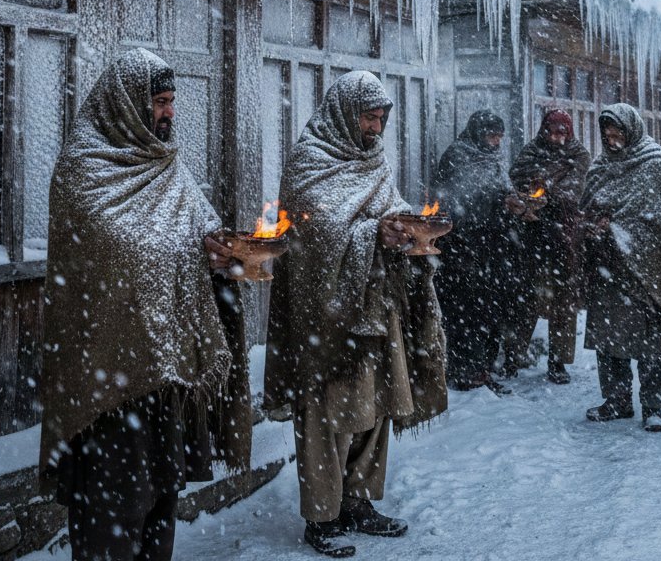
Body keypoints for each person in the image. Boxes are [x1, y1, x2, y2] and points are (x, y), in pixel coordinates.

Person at [39, 48, 252, 561]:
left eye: (172, 102)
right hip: (110, 385)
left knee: (160, 508)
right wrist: (189, 253)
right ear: (127, 104)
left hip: (167, 381)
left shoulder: (167, 168)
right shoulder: (83, 171)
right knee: (111, 518)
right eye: (159, 101)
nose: (168, 114)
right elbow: (119, 259)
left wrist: (219, 256)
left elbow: (196, 234)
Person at [264, 71, 446, 559]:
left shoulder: (373, 160)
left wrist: (410, 225)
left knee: (377, 403)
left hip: (375, 306)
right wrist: (372, 235)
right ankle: (321, 516)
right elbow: (313, 232)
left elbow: (387, 207)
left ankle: (358, 501)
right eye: (369, 117)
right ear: (346, 114)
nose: (376, 128)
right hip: (328, 315)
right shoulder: (311, 160)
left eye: (382, 118)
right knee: (329, 412)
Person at [579, 103, 661, 432]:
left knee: (650, 341)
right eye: (606, 132)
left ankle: (654, 404)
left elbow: (660, 222)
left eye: (617, 131)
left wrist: (618, 226)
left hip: (647, 271)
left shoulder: (656, 164)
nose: (611, 137)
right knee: (608, 340)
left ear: (631, 129)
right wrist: (592, 226)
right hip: (609, 269)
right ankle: (617, 400)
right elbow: (587, 207)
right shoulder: (601, 167)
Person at [432, 110, 519, 394]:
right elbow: (457, 198)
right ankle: (466, 368)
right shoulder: (458, 155)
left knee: (489, 309)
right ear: (478, 133)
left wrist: (511, 203)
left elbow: (501, 189)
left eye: (499, 137)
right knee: (465, 312)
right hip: (462, 247)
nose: (496, 142)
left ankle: (484, 365)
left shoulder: (492, 159)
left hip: (491, 247)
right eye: (491, 136)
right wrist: (495, 201)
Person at [504, 109, 591, 384]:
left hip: (566, 238)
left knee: (563, 303)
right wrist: (534, 191)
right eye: (551, 132)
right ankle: (512, 358)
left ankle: (558, 363)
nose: (555, 138)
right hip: (533, 236)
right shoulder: (533, 150)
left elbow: (576, 189)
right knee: (525, 298)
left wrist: (546, 188)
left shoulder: (578, 155)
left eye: (561, 133)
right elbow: (517, 177)